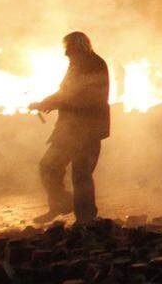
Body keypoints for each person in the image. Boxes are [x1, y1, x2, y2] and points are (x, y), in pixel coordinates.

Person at [29, 32, 110, 224]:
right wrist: (44, 102)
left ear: (79, 47)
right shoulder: (77, 63)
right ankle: (62, 204)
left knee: (81, 174)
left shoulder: (94, 65)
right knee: (49, 166)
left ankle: (85, 219)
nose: (66, 53)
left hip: (87, 130)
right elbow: (65, 92)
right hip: (69, 130)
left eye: (69, 49)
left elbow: (84, 97)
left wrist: (54, 104)